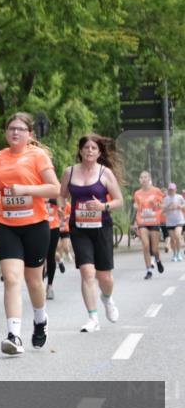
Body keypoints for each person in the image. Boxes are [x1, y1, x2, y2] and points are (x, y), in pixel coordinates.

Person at [0, 112, 60, 354]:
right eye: (11, 128)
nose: (15, 132)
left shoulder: (38, 156)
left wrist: (26, 188)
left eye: (20, 129)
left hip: (36, 225)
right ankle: (14, 336)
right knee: (11, 279)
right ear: (6, 132)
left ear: (29, 134)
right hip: (7, 225)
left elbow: (55, 188)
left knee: (34, 281)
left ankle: (40, 320)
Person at [59, 135, 125, 333]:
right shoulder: (69, 172)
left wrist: (102, 205)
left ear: (99, 152)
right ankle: (93, 318)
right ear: (80, 151)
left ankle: (107, 298)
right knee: (87, 272)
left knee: (105, 277)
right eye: (86, 147)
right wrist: (62, 210)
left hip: (102, 227)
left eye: (93, 148)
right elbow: (61, 196)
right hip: (79, 228)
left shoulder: (106, 173)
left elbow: (119, 200)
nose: (89, 151)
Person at [131, 171, 165, 279]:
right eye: (141, 177)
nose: (143, 179)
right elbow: (136, 205)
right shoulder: (137, 193)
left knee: (154, 249)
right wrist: (135, 206)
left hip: (154, 221)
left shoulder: (156, 191)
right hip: (143, 222)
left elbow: (162, 205)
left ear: (149, 179)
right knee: (145, 246)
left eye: (145, 177)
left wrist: (156, 204)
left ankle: (158, 260)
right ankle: (149, 270)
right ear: (139, 180)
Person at [43, 198, 62, 300]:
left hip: (53, 227)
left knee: (50, 256)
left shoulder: (53, 188)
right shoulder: (34, 187)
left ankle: (50, 286)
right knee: (40, 257)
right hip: (39, 226)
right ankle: (39, 286)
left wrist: (48, 198)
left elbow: (61, 201)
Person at [164, 183, 185, 261]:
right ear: (168, 190)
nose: (171, 191)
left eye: (172, 189)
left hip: (179, 220)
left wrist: (180, 206)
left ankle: (179, 253)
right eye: (170, 189)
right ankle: (174, 254)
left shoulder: (179, 197)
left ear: (175, 189)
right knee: (172, 239)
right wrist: (169, 208)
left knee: (177, 236)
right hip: (169, 222)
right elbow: (163, 210)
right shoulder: (166, 199)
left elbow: (184, 204)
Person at [57, 199, 73, 272]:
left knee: (65, 245)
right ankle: (60, 259)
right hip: (57, 228)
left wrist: (66, 218)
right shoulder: (56, 204)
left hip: (65, 229)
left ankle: (67, 252)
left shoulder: (68, 205)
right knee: (58, 246)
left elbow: (72, 215)